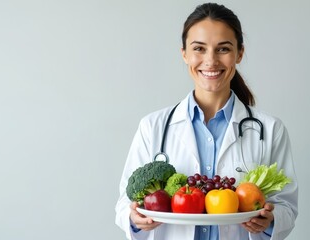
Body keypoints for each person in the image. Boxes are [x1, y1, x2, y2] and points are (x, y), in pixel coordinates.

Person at [115, 3, 298, 240]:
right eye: (199, 49)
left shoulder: (271, 130)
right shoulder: (152, 127)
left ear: (239, 53)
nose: (210, 61)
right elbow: (124, 205)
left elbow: (287, 207)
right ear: (184, 54)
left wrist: (272, 220)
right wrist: (135, 220)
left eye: (223, 49)